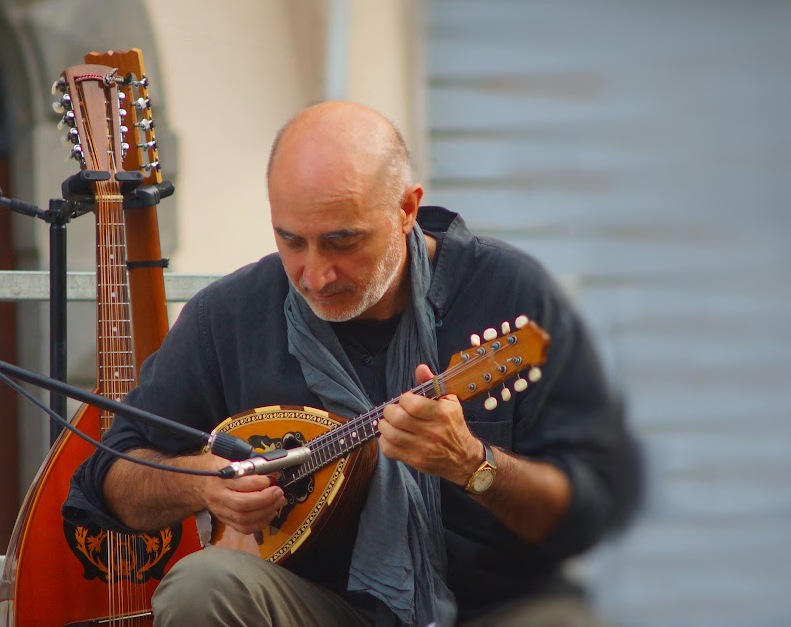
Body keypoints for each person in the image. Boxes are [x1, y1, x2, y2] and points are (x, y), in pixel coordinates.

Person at [64, 101, 639, 627]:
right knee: (202, 585)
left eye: (343, 242)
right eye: (291, 240)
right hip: (318, 608)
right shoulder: (231, 316)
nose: (315, 275)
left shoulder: (507, 295)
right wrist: (202, 484)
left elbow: (591, 507)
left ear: (408, 208)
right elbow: (100, 486)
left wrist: (476, 465)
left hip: (490, 608)